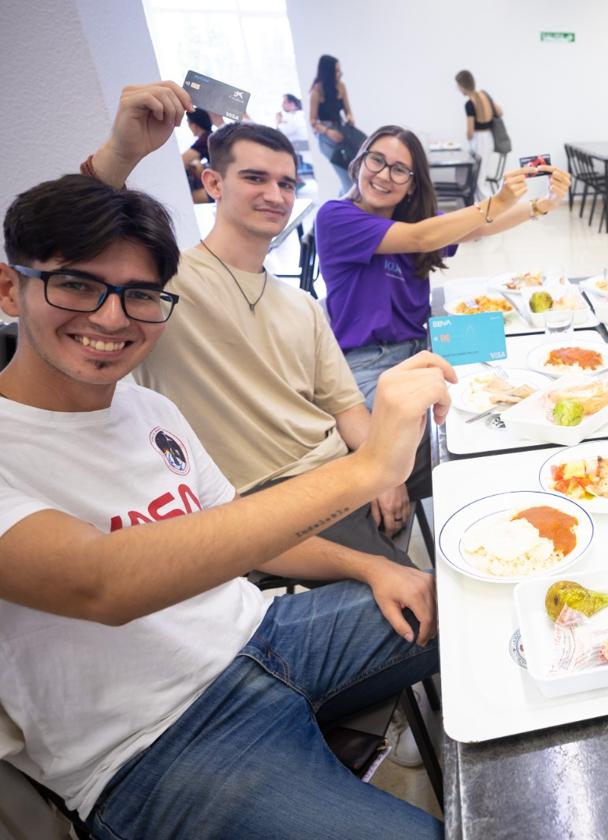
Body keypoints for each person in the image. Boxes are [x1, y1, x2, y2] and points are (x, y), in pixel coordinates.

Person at [0, 153, 452, 836]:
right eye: (77, 286)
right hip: (155, 744)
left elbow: (236, 524)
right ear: (10, 289)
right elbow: (103, 583)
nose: (113, 317)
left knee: (475, 600)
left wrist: (375, 566)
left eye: (140, 295)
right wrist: (369, 470)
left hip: (267, 635)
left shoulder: (150, 412)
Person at [78, 88, 421, 546]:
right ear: (214, 183)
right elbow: (81, 240)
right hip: (272, 500)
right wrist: (121, 153)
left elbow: (347, 409)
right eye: (255, 178)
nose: (274, 195)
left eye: (286, 184)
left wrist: (383, 469)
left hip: (340, 470)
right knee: (420, 610)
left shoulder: (300, 304)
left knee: (463, 443)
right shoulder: (166, 286)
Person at [315, 124, 571, 407]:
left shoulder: (412, 220)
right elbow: (422, 238)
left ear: (412, 184)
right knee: (446, 418)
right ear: (359, 161)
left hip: (425, 347)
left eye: (399, 170)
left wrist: (544, 203)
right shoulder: (335, 217)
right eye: (376, 160)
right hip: (370, 362)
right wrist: (496, 202)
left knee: (520, 382)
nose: (384, 175)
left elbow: (480, 228)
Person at [309, 54, 355, 192]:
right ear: (328, 72)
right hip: (326, 136)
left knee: (353, 174)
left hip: (340, 130)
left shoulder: (341, 87)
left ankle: (344, 203)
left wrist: (350, 118)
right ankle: (346, 210)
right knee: (345, 177)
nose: (340, 73)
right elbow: (312, 121)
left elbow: (348, 111)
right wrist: (328, 132)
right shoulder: (316, 92)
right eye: (336, 70)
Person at [455, 69, 501, 158]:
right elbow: (499, 112)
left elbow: (470, 132)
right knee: (484, 168)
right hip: (489, 138)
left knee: (478, 170)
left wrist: (468, 137)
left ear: (463, 86)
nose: (458, 89)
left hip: (479, 140)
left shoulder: (469, 104)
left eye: (458, 85)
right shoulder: (484, 95)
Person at [182, 108, 212, 203]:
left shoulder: (205, 140)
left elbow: (182, 161)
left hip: (226, 185)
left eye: (188, 123)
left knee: (187, 198)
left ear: (194, 125)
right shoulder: (210, 137)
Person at [275, 93, 311, 172]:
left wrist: (278, 121)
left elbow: (278, 135)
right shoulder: (300, 115)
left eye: (284, 102)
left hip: (304, 159)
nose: (282, 105)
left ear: (292, 103)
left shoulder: (296, 118)